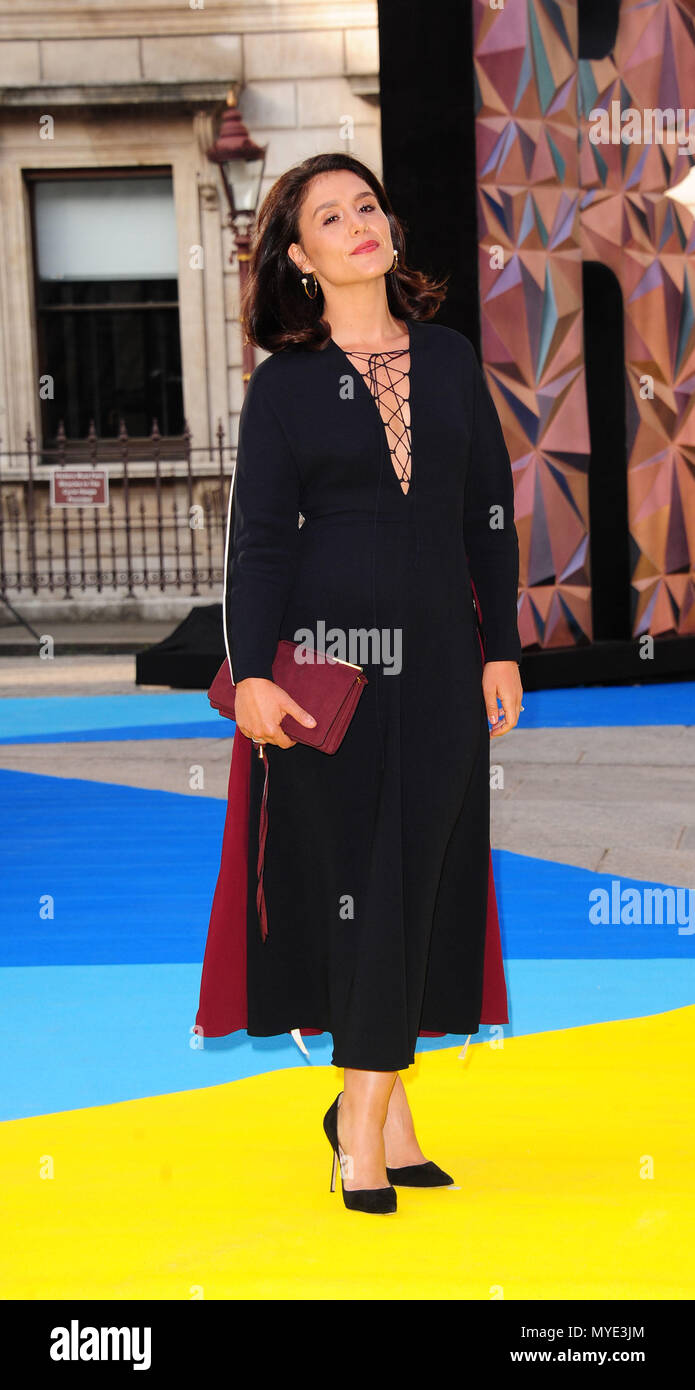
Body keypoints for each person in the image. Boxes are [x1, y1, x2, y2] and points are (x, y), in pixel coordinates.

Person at [206, 151, 522, 1215]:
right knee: (363, 885)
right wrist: (251, 673)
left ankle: (380, 1108)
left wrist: (500, 646)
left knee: (425, 880)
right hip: (327, 669)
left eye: (367, 205)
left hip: (440, 661)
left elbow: (488, 513)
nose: (357, 224)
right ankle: (358, 1131)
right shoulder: (283, 387)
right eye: (329, 216)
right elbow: (256, 545)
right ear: (297, 257)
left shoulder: (446, 358)